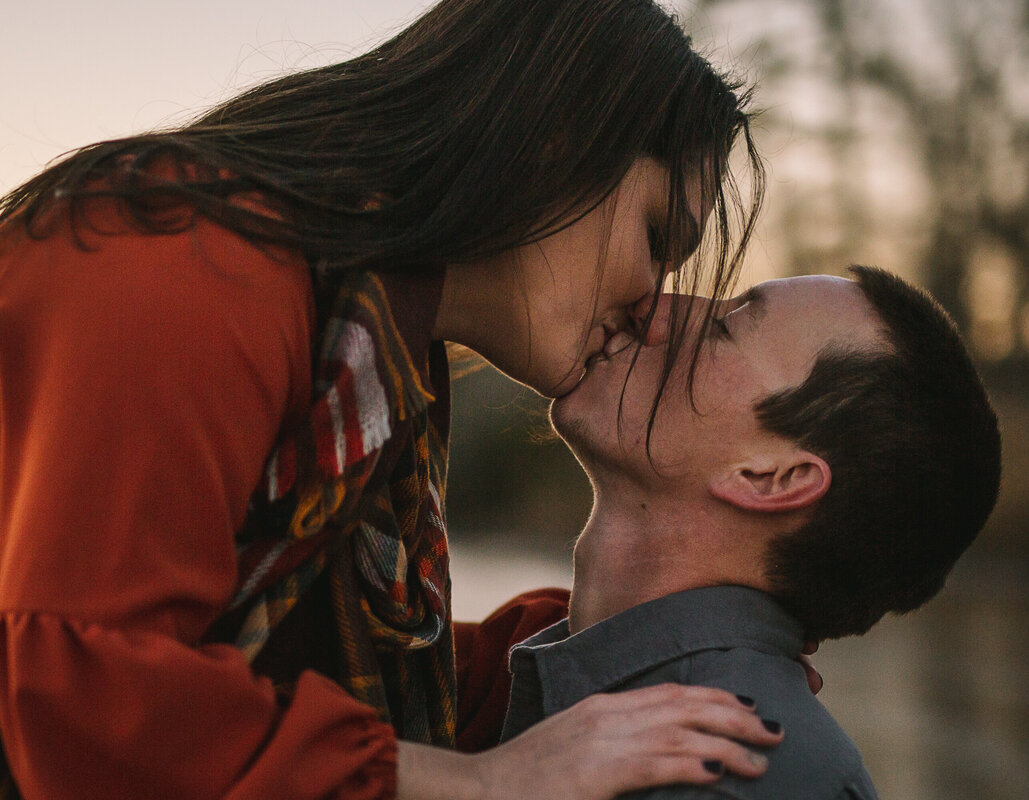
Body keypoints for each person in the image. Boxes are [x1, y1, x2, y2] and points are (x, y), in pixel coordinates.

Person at [0, 1, 791, 798]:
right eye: (659, 237)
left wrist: (680, 646)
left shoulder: (372, 355)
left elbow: (340, 673)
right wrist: (487, 784)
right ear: (559, 146)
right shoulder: (178, 258)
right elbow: (82, 701)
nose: (654, 304)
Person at [494, 267, 1002, 797]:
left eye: (722, 328)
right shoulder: (566, 705)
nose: (653, 308)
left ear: (770, 478)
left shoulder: (720, 775)